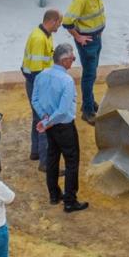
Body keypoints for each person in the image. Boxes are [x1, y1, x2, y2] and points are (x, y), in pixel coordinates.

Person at [33, 44, 88, 213]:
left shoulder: (41, 75)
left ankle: (54, 195)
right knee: (72, 161)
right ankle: (70, 201)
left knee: (52, 157)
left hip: (49, 125)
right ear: (64, 60)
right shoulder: (66, 80)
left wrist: (45, 118)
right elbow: (63, 109)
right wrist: (50, 121)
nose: (73, 61)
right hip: (63, 126)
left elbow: (35, 99)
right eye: (72, 58)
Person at [63, 0, 108, 123]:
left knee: (92, 73)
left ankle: (89, 102)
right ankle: (87, 111)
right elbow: (67, 22)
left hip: (96, 39)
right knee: (89, 76)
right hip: (87, 42)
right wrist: (78, 37)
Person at [22, 9, 62, 165]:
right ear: (52, 21)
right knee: (45, 120)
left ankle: (36, 152)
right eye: (59, 22)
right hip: (37, 84)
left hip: (34, 83)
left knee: (37, 118)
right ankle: (46, 162)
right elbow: (37, 71)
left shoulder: (45, 35)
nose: (60, 25)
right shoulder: (39, 39)